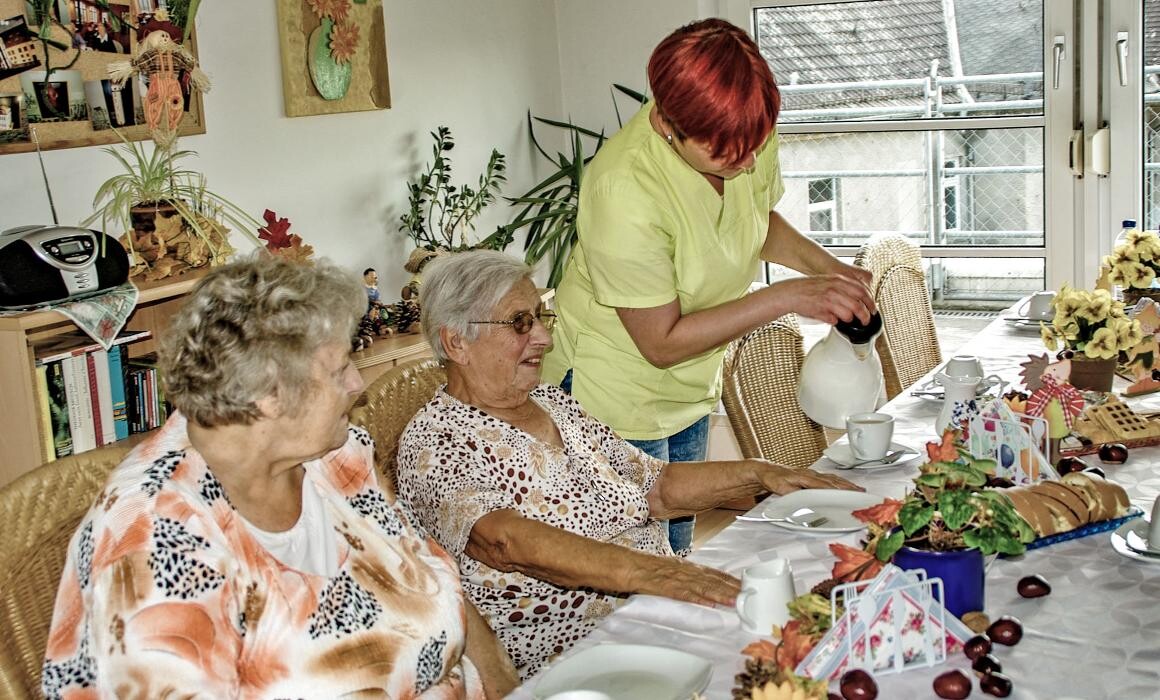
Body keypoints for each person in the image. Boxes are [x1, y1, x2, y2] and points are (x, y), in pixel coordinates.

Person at [42, 256, 517, 698]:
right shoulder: (154, 544)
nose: (357, 384)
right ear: (269, 394)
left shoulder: (337, 458)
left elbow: (430, 575)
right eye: (338, 369)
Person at [395, 250, 860, 678]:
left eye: (541, 317)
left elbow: (654, 485)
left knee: (815, 619)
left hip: (651, 607)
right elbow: (505, 541)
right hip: (580, 650)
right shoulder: (435, 441)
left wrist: (759, 472)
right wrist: (654, 573)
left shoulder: (551, 402)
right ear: (456, 343)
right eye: (520, 323)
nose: (544, 337)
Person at [540, 18, 878, 555]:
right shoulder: (622, 190)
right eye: (731, 153)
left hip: (690, 381)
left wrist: (827, 269)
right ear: (669, 126)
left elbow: (754, 219)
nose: (748, 162)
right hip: (613, 392)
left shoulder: (741, 129)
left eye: (755, 145)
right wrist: (788, 297)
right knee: (641, 563)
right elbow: (661, 342)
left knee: (678, 547)